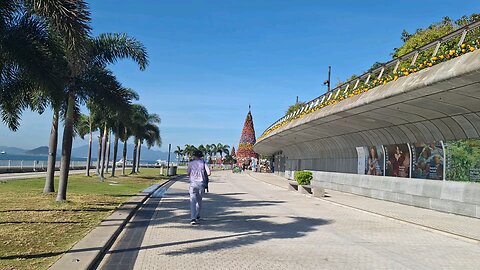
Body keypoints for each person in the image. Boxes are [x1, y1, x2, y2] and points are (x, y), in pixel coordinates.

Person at [187, 150, 211, 225]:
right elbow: (209, 173)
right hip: (201, 184)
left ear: (195, 156)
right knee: (199, 201)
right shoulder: (203, 163)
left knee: (192, 201)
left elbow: (188, 173)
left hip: (193, 184)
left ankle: (192, 218)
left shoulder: (191, 163)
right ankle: (198, 214)